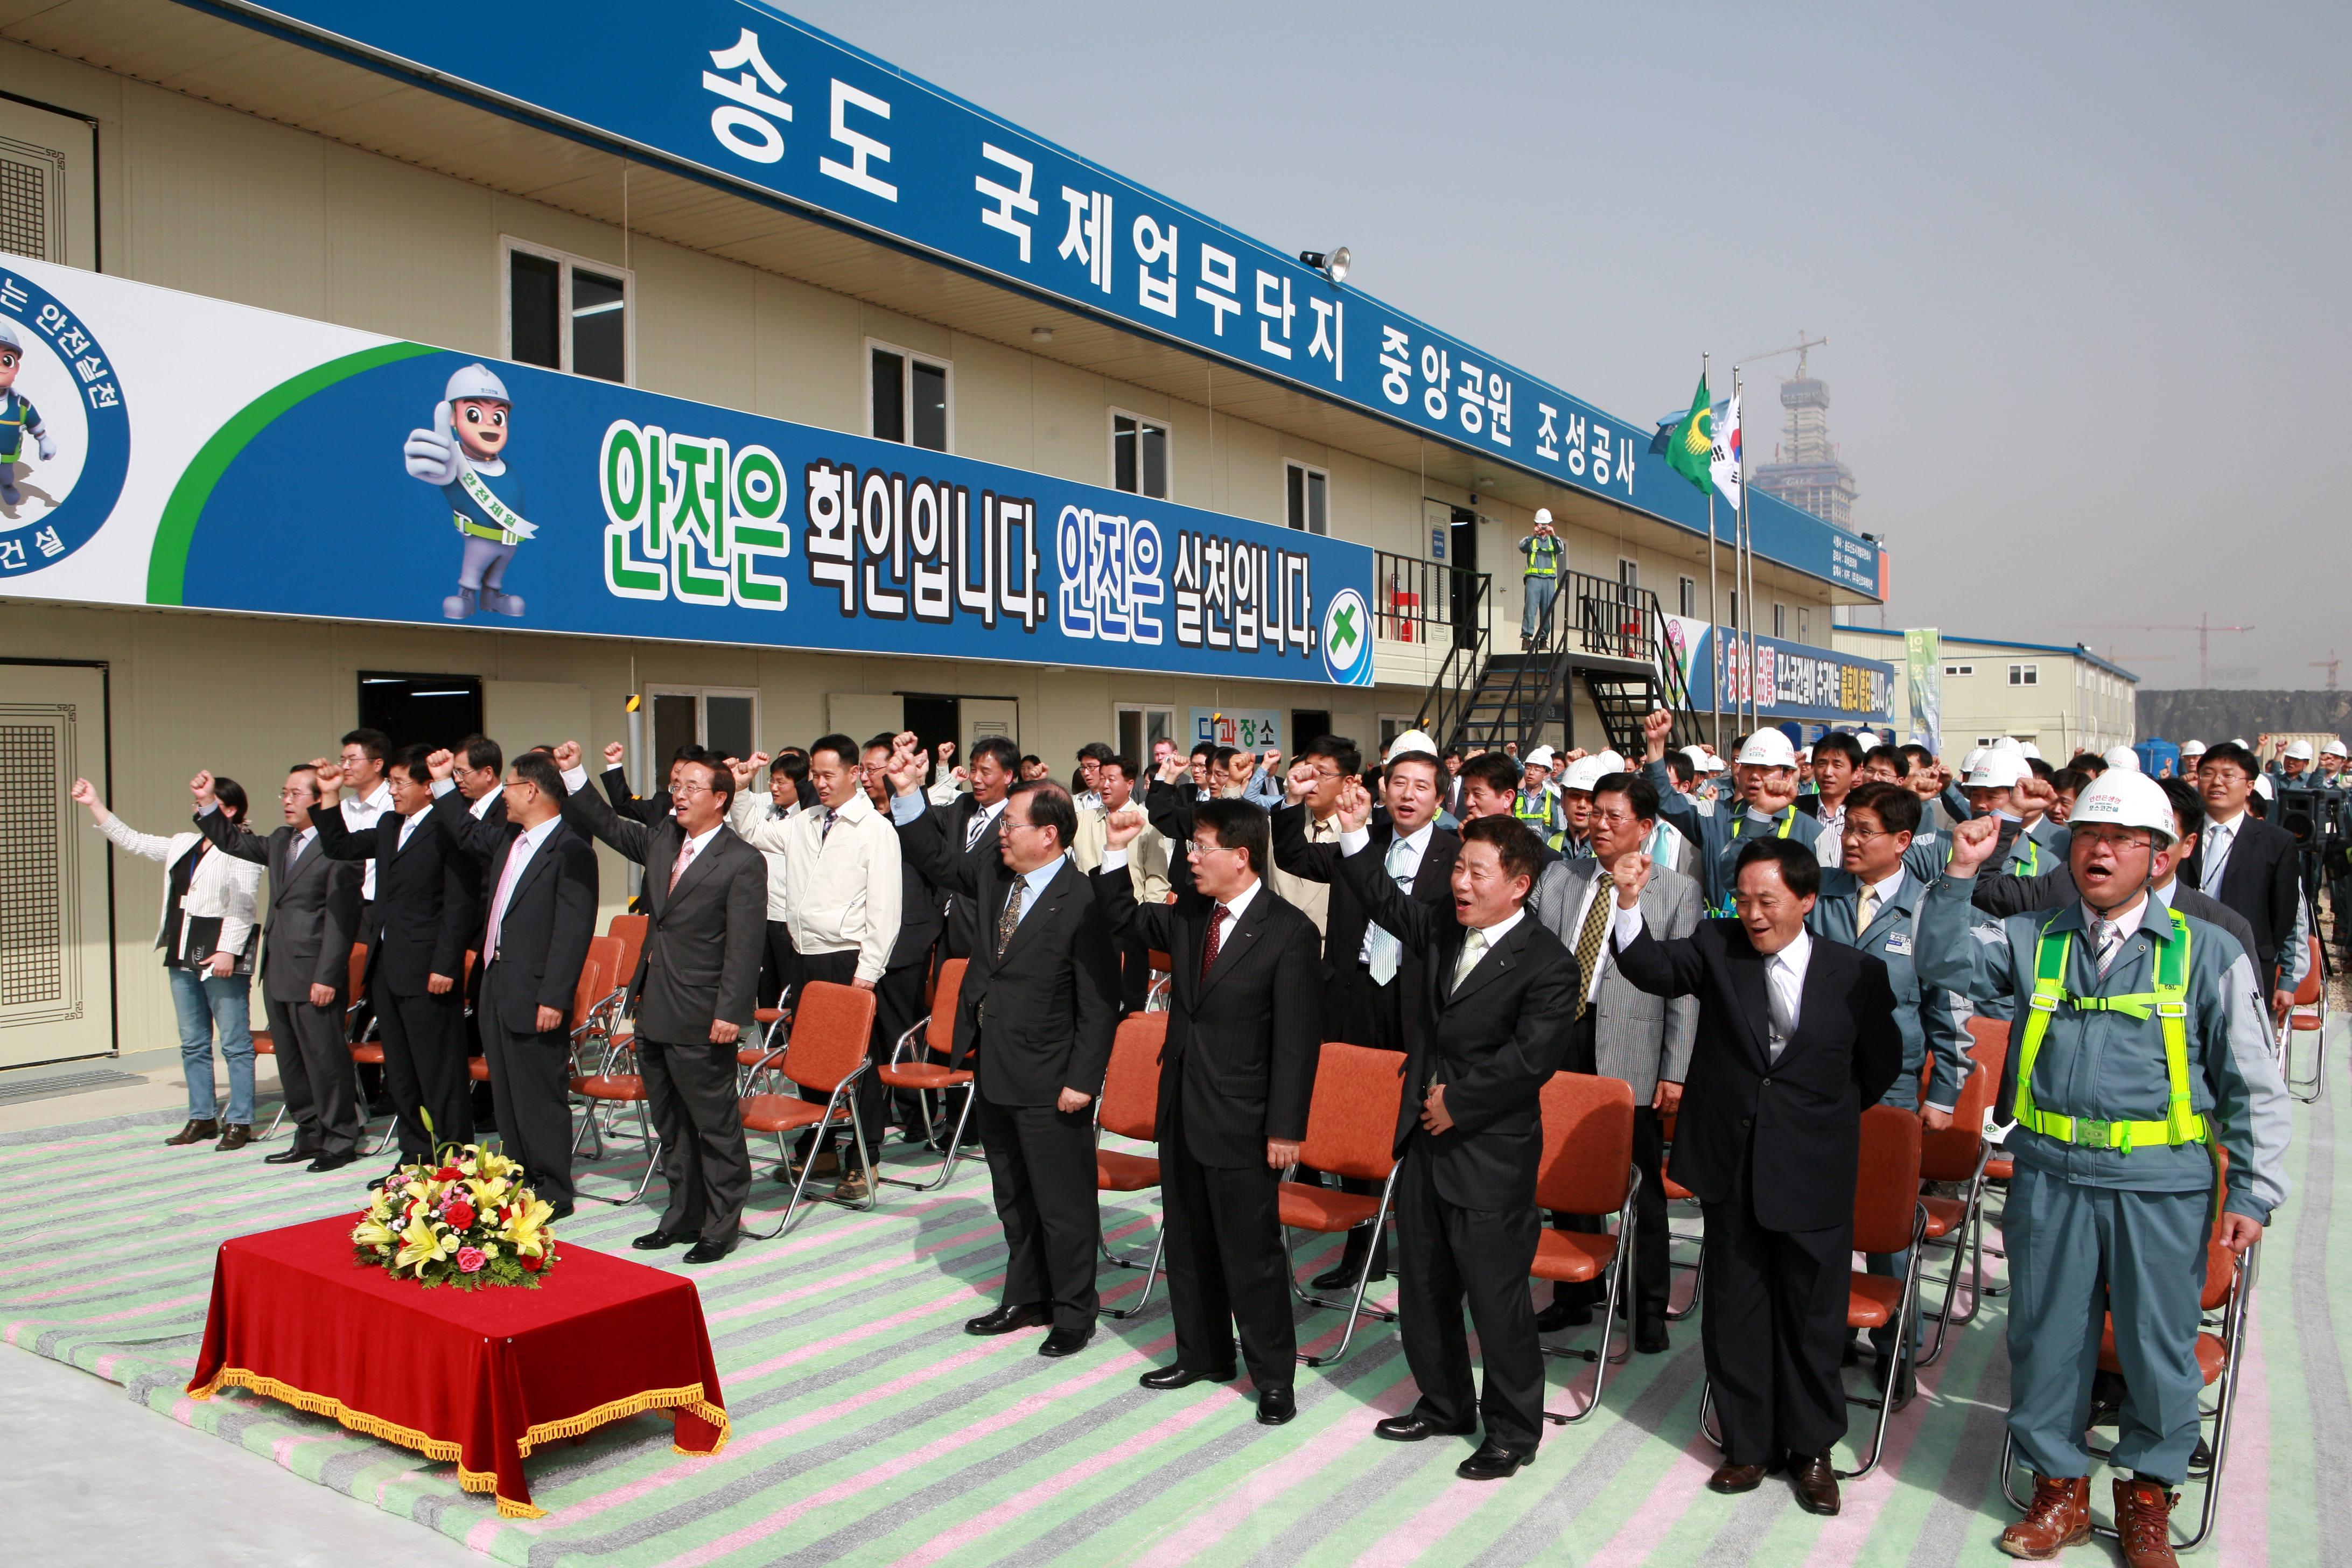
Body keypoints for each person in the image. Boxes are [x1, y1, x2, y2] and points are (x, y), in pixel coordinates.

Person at [1915, 772, 2288, 1564]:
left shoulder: (2207, 951)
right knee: (2047, 1339)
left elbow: (2253, 1081)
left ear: (2158, 857)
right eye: (2088, 836)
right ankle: (2060, 1493)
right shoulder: (2032, 938)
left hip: (2162, 1185)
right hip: (2050, 1176)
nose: (2102, 852)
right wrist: (1957, 876)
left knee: (2158, 1346)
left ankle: (2147, 1497)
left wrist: (2253, 1187)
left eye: (2122, 840)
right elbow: (1944, 965)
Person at [1609, 836, 1903, 1516]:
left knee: (1812, 1314)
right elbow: (1650, 965)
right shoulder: (1718, 947)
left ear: (1806, 898)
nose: (1753, 914)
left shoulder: (1855, 973)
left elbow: (1877, 1066)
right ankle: (1747, 1441)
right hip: (1731, 1164)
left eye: (1767, 900)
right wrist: (1628, 900)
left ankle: (1811, 1449)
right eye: (1742, 899)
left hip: (1812, 1168)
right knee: (1737, 1311)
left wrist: (1811, 1117)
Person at [1332, 797, 1577, 1481]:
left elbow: (1533, 1059)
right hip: (1425, 1144)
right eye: (1459, 869)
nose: (1459, 883)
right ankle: (1444, 1403)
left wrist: (1458, 1101)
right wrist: (1355, 833)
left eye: (1476, 872)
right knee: (1424, 1286)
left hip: (1489, 1150)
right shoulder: (1444, 923)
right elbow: (1386, 901)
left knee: (1498, 1301)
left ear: (1519, 884)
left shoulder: (1548, 963)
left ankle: (1512, 1430)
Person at [1096, 798, 1321, 1423]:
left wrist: (1285, 1127)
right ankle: (1202, 1353)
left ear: (1241, 855)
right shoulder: (1194, 913)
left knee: (1251, 1253)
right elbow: (1120, 916)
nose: (1189, 857)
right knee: (1190, 1242)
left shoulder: (1289, 931)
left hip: (1246, 1119)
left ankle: (1274, 1377)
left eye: (1200, 847)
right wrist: (1117, 847)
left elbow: (1297, 1043)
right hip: (1183, 1108)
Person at [888, 765, 1120, 1351]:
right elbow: (938, 862)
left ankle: (1073, 1311)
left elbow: (1099, 1003)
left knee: (1063, 1204)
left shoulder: (1082, 900)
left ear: (1049, 834)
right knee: (1012, 1194)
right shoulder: (997, 874)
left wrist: (1082, 1081)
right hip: (993, 1064)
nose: (1000, 833)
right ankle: (1025, 1296)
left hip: (1052, 1078)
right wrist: (908, 794)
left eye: (1011, 824)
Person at [557, 741, 767, 1262]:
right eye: (677, 785)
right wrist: (572, 772)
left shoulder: (741, 860)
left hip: (702, 1014)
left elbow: (744, 945)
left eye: (692, 787)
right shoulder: (662, 840)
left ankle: (722, 1224)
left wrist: (730, 1014)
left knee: (714, 1124)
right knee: (669, 1123)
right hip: (652, 1006)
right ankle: (682, 1215)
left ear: (721, 798)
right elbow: (606, 823)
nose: (679, 795)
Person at [1270, 734, 1460, 1287]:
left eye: (1421, 786)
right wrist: (1292, 802)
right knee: (1356, 1117)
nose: (1407, 795)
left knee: (1422, 1123)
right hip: (1354, 991)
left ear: (1440, 798)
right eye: (1398, 782)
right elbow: (1295, 856)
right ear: (1381, 788)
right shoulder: (1362, 837)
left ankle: (1427, 1245)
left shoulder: (1455, 854)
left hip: (1416, 999)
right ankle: (1364, 1251)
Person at [1804, 780, 1970, 1397]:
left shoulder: (1927, 909)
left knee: (1886, 1226)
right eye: (1847, 827)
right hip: (1817, 1084)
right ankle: (1830, 1332)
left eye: (1863, 831)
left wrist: (1944, 1092)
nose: (1848, 839)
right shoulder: (1822, 896)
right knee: (1821, 1217)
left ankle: (1895, 1344)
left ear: (1902, 840)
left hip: (1892, 1089)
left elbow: (1948, 1010)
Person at [1523, 771, 1698, 1350]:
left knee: (1640, 1183)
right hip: (1562, 1036)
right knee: (1564, 1168)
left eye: (1613, 816)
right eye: (1593, 812)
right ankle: (1577, 1294)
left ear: (1645, 827)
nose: (1597, 823)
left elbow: (1685, 989)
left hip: (1633, 1046)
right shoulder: (1560, 877)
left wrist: (1675, 1068)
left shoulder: (1675, 890)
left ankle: (1645, 1305)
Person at [725, 734, 904, 1200]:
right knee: (811, 1060)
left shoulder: (874, 830)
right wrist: (743, 790)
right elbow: (753, 832)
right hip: (804, 956)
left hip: (849, 960)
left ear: (854, 774)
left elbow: (885, 909)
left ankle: (865, 1158)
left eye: (829, 775)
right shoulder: (807, 821)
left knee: (856, 1066)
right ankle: (820, 1143)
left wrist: (868, 973)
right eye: (816, 777)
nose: (820, 785)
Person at [424, 746, 597, 1216]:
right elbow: (463, 831)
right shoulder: (509, 839)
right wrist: (442, 783)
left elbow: (572, 932)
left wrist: (555, 996)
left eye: (509, 786)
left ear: (532, 790)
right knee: (505, 1087)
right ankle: (519, 1175)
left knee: (538, 1091)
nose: (503, 795)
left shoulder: (571, 849)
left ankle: (555, 1188)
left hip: (538, 989)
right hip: (496, 979)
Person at [310, 745, 480, 1173]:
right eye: (391, 783)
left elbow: (459, 905)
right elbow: (338, 845)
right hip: (387, 965)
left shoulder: (449, 829)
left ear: (428, 787)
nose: (393, 791)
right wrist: (329, 794)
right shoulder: (389, 825)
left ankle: (453, 1158)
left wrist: (446, 964)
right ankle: (414, 1156)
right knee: (401, 1070)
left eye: (400, 783)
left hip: (429, 970)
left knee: (438, 1069)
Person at [190, 762, 365, 1171]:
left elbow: (343, 919)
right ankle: (309, 1134)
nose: (287, 801)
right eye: (283, 793)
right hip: (279, 967)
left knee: (325, 1060)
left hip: (315, 972)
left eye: (296, 794)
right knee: (291, 1061)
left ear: (319, 799)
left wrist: (327, 976)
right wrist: (206, 802)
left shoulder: (340, 846)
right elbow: (233, 842)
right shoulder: (282, 840)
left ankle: (340, 1140)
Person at [75, 772, 264, 1150]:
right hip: (182, 950)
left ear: (229, 809)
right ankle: (202, 1116)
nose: (198, 810)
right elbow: (135, 841)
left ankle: (240, 1120)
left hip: (220, 955)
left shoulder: (244, 848)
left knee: (234, 1042)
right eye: (197, 804)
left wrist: (228, 950)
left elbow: (244, 905)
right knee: (193, 1042)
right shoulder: (185, 843)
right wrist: (94, 804)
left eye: (206, 804)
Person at [1639, 709, 1826, 917]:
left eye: (1765, 769)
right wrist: (1656, 745)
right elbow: (1664, 799)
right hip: (1720, 938)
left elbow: (1819, 907)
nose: (1755, 776)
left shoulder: (1811, 832)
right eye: (1748, 767)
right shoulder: (1714, 815)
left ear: (1788, 774)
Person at [2185, 741, 2301, 1025]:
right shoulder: (2180, 834)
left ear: (2249, 786)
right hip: (2181, 958)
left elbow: (2284, 914)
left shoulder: (2276, 842)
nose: (2217, 783)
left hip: (2247, 963)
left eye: (2228, 775)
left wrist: (2278, 969)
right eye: (2208, 774)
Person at [1798, 733, 1865, 867]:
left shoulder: (1865, 813)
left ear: (1856, 771)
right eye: (1822, 764)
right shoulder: (1796, 808)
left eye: (1837, 765)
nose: (1828, 772)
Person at [1517, 507, 1566, 649]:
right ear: (1535, 524)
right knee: (1530, 610)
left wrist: (1554, 535)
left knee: (1547, 611)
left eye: (1545, 525)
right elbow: (1521, 546)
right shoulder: (1531, 539)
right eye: (1540, 524)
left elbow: (1560, 549)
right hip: (1534, 578)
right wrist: (1533, 535)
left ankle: (1543, 640)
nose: (1543, 528)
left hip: (1549, 580)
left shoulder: (1553, 541)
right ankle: (1526, 639)